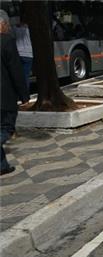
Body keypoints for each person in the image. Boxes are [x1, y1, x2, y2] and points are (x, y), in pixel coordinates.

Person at [1, 10, 29, 175]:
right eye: (7, 25)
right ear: (2, 24)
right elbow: (16, 71)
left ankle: (2, 166)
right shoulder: (6, 41)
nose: (8, 28)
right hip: (4, 97)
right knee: (7, 129)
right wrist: (24, 95)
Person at [13, 15, 32, 90]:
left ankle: (19, 92)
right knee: (26, 76)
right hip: (29, 54)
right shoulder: (29, 29)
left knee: (19, 75)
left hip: (19, 53)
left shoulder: (15, 29)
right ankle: (26, 92)